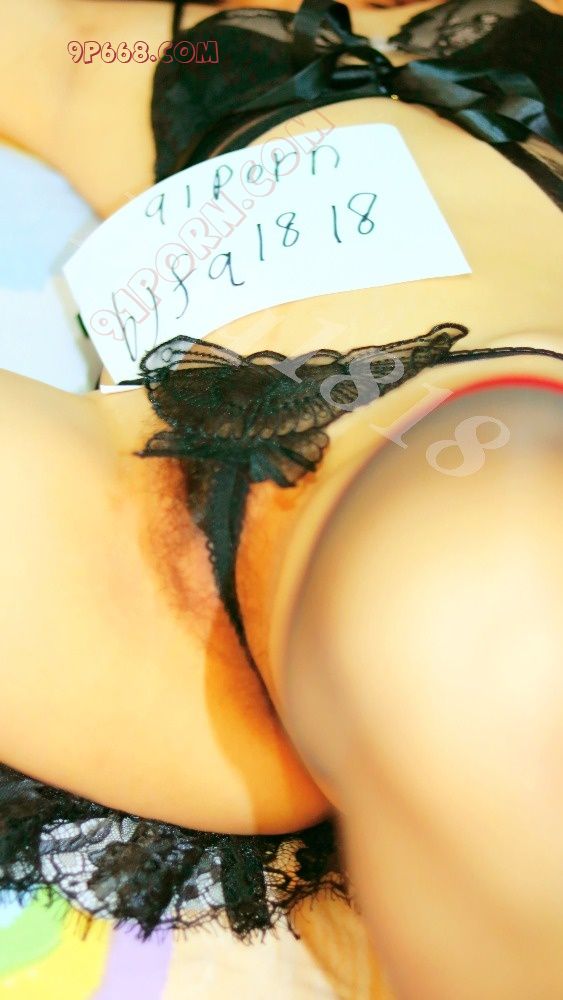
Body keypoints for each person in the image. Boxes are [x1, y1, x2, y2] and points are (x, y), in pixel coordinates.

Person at [1, 0, 562, 995]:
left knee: (491, 608)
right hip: (157, 527)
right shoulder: (144, 35)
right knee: (489, 611)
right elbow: (52, 50)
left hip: (485, 436)